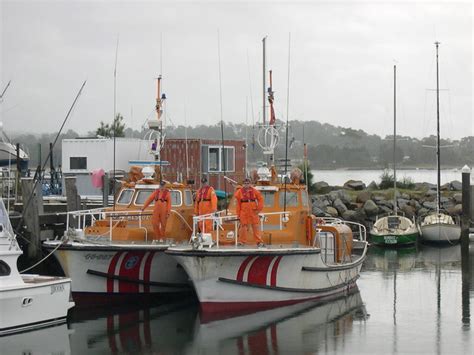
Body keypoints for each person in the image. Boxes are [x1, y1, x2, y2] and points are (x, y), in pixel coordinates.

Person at [234, 177, 264, 246]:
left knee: (255, 226)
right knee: (243, 227)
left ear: (250, 184)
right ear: (243, 184)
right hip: (243, 211)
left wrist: (258, 209)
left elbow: (260, 199)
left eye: (248, 183)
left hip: (253, 211)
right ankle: (242, 242)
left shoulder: (255, 191)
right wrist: (238, 214)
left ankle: (259, 241)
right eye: (245, 183)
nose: (246, 184)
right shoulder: (239, 192)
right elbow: (238, 204)